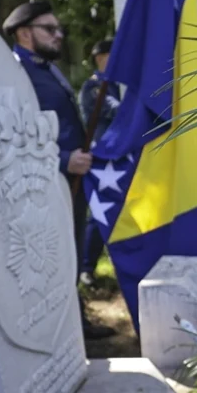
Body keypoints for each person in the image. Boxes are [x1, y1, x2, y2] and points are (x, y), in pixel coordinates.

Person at [4, 1, 114, 340]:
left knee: (66, 248)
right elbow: (15, 130)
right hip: (43, 179)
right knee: (50, 253)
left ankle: (73, 322)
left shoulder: (43, 66)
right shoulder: (15, 71)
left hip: (67, 177)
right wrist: (63, 158)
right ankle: (62, 327)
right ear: (24, 33)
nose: (59, 35)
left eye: (58, 28)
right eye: (49, 29)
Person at [78, 39, 120, 285]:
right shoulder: (95, 87)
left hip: (119, 157)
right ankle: (87, 267)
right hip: (102, 159)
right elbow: (118, 112)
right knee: (99, 213)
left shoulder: (116, 85)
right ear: (101, 58)